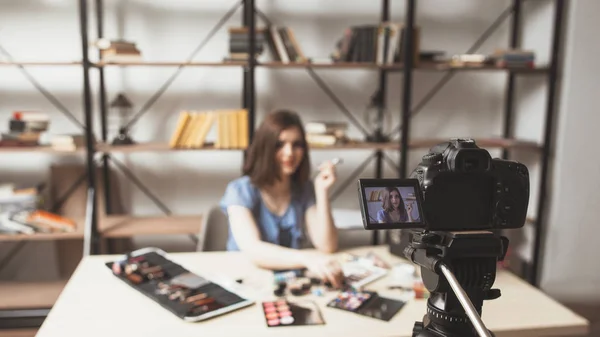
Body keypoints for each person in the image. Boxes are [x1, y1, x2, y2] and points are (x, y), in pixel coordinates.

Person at [219, 110, 344, 288]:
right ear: (265, 147)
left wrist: (322, 191)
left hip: (284, 283)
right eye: (279, 144)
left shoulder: (304, 189)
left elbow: (327, 245)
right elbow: (253, 249)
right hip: (246, 281)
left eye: (297, 144)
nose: (289, 153)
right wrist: (307, 258)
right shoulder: (239, 190)